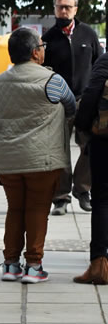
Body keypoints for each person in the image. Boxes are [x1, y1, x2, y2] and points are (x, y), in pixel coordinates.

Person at [0, 28, 75, 283]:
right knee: (37, 209)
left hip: (7, 159)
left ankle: (10, 265)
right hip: (42, 159)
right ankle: (34, 266)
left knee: (15, 209)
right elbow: (70, 105)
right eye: (42, 45)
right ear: (35, 52)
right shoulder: (53, 81)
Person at [42, 0, 103, 215]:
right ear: (55, 9)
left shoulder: (88, 34)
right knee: (59, 151)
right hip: (58, 103)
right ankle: (60, 196)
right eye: (60, 7)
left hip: (86, 101)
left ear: (76, 9)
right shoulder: (48, 39)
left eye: (68, 7)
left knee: (91, 146)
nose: (64, 10)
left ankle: (83, 189)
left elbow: (100, 66)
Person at [73, 51, 108, 284]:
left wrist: (83, 127)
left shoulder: (106, 61)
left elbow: (92, 93)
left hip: (106, 140)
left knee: (103, 200)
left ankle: (99, 265)